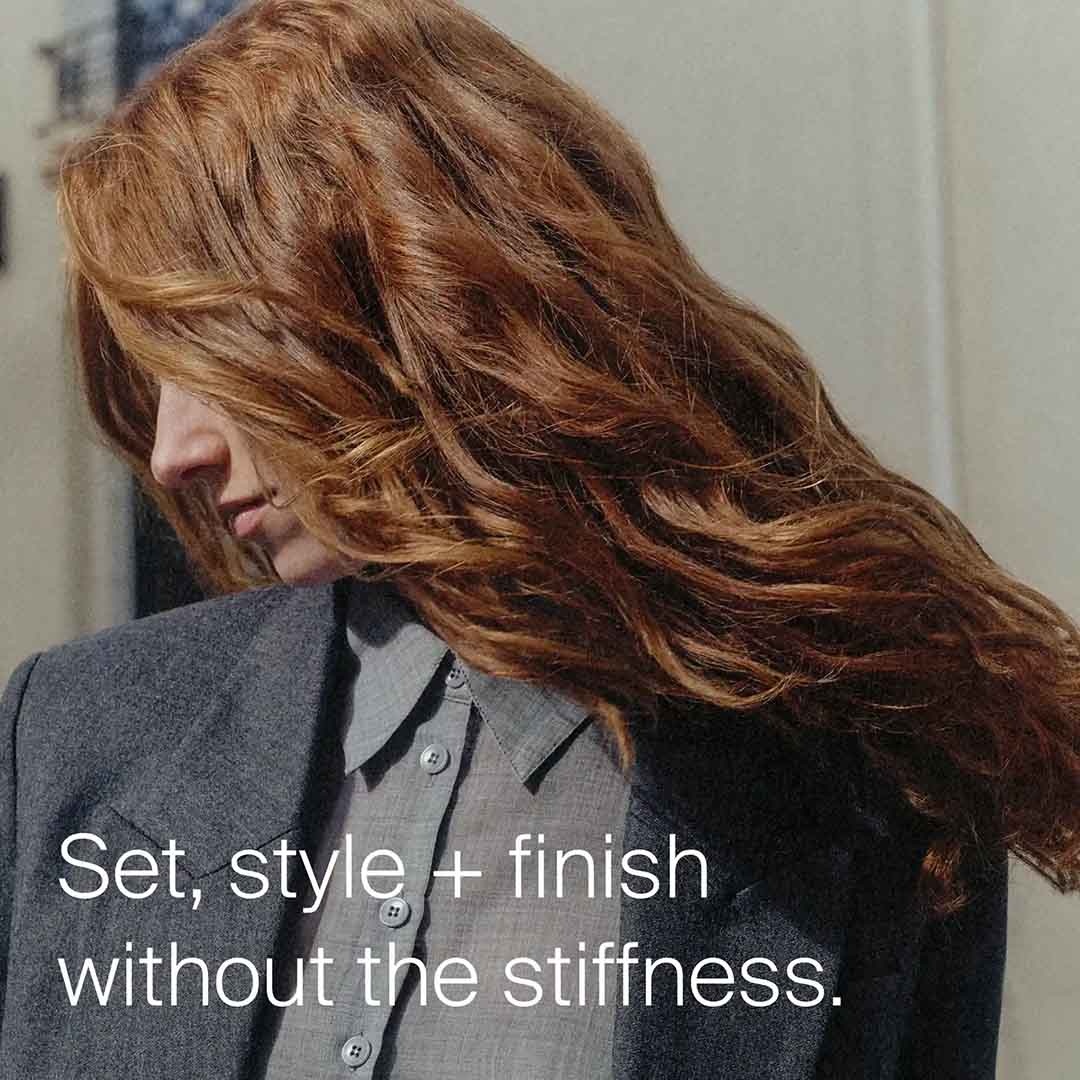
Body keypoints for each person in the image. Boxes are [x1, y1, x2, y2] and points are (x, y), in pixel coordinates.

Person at [2, 0, 1078, 1076]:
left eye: (210, 352)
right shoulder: (74, 738)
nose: (172, 453)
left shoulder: (866, 778)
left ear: (411, 290)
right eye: (156, 378)